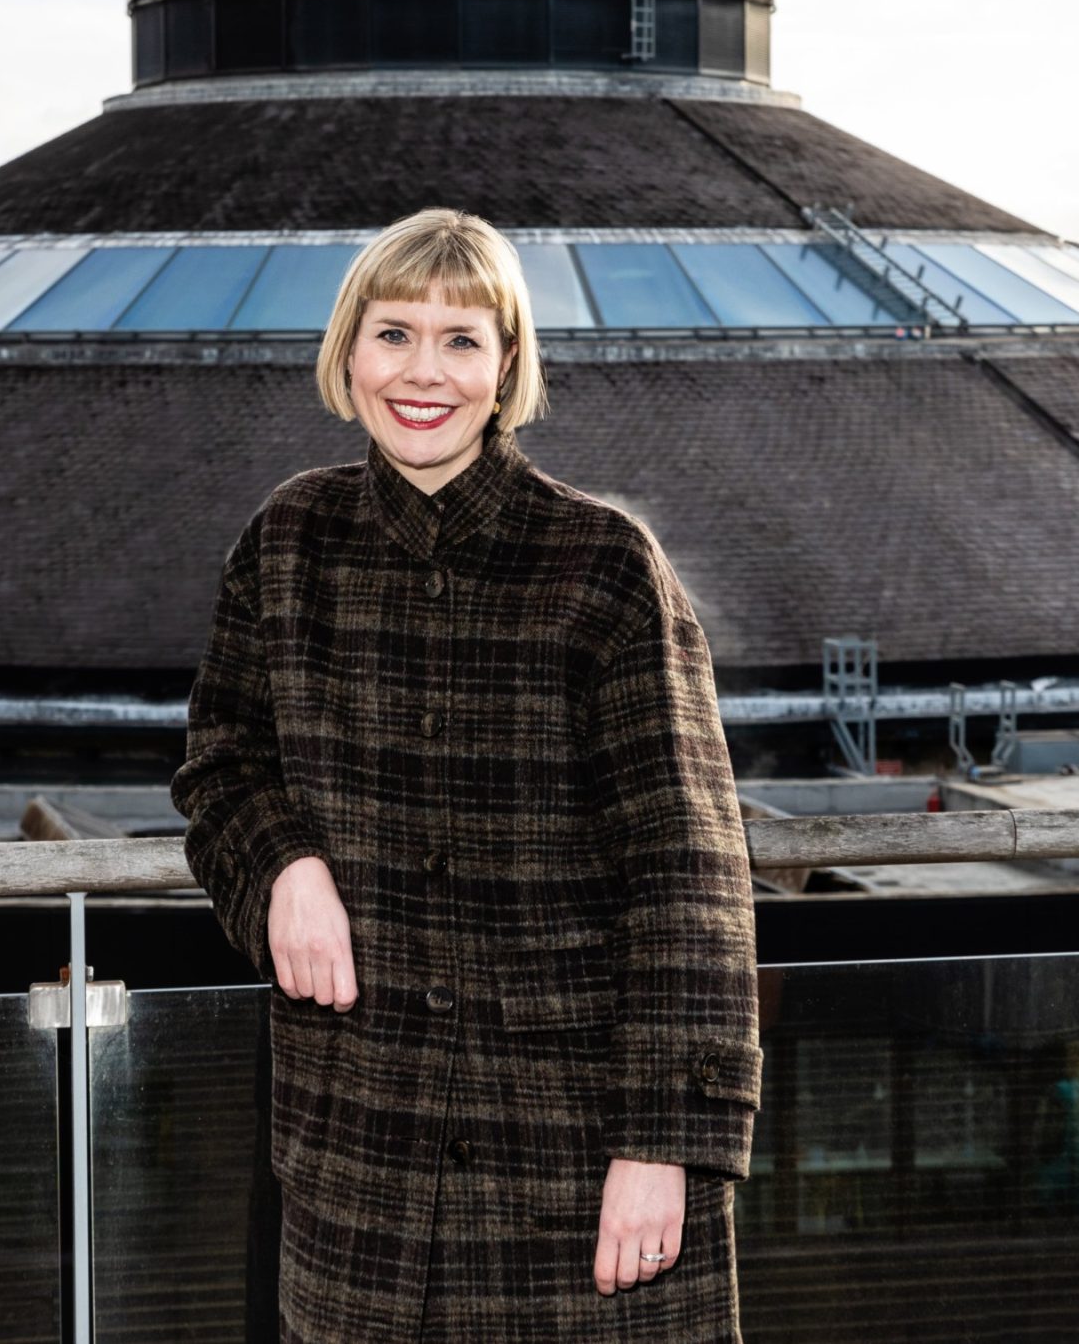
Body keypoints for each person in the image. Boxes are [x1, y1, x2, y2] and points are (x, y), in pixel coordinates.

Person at [171, 208, 762, 1341]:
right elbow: (221, 761)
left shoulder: (603, 565)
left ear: (506, 370)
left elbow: (690, 873)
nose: (421, 372)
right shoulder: (287, 540)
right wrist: (281, 865)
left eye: (460, 340)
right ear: (348, 352)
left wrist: (664, 1145)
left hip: (578, 1155)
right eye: (393, 334)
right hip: (360, 1152)